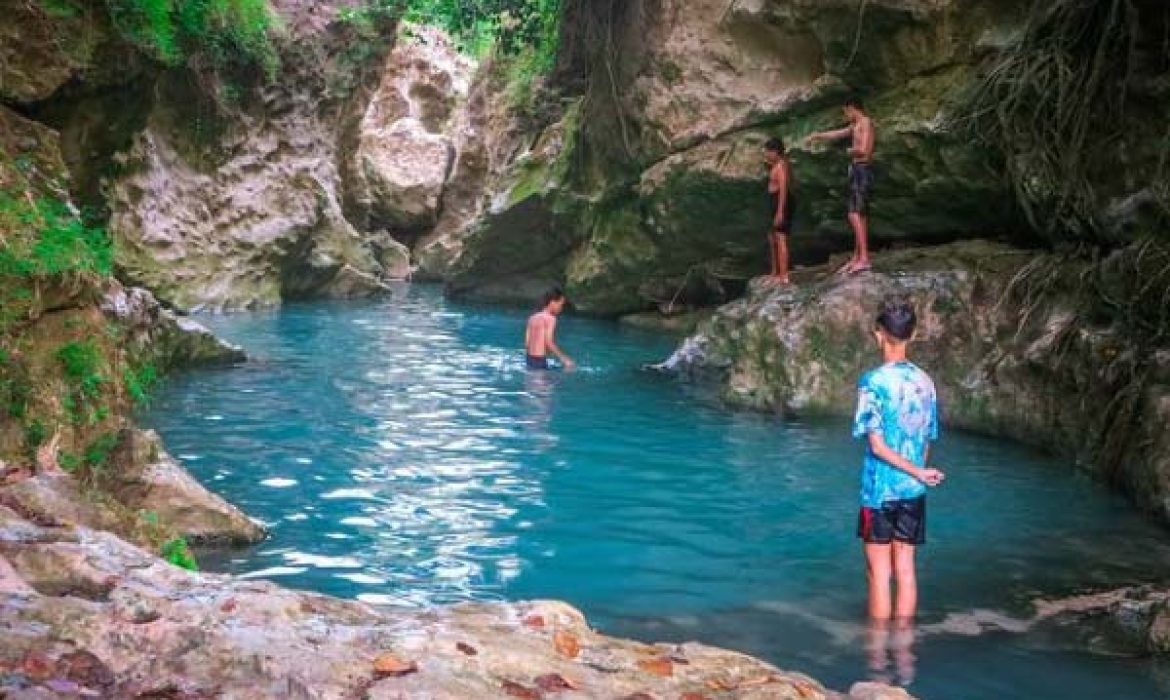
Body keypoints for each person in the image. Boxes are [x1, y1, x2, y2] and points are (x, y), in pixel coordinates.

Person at [851, 297, 944, 620]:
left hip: (879, 492)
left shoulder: (873, 382)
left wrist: (916, 471)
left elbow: (876, 446)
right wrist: (918, 472)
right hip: (912, 490)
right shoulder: (925, 382)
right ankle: (904, 656)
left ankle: (877, 659)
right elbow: (926, 439)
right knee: (905, 569)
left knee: (878, 572)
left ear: (879, 334)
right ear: (913, 334)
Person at [807, 97, 875, 274]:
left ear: (852, 108)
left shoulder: (865, 122)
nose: (846, 116)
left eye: (846, 112)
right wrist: (818, 136)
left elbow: (865, 150)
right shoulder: (855, 125)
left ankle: (865, 258)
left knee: (853, 214)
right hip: (857, 169)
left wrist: (850, 151)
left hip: (862, 169)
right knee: (860, 215)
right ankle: (857, 256)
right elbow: (838, 133)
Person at [764, 138, 795, 285]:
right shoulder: (776, 164)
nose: (767, 154)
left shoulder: (782, 166)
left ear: (776, 152)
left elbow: (783, 189)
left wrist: (780, 211)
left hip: (780, 201)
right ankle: (775, 271)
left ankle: (784, 275)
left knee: (781, 238)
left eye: (769, 151)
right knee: (772, 237)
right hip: (772, 200)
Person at [525, 288, 576, 371]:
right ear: (552, 303)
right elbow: (548, 342)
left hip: (529, 358)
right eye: (561, 304)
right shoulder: (551, 319)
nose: (561, 308)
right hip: (539, 360)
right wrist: (564, 359)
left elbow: (527, 343)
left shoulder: (532, 317)